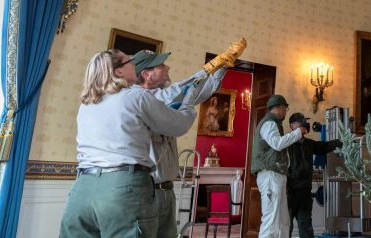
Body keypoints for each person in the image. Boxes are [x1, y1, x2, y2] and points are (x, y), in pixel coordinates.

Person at [59, 49, 197, 238]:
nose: (134, 64)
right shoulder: (136, 96)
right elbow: (178, 125)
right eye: (130, 61)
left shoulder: (87, 104)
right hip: (122, 186)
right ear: (118, 72)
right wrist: (189, 105)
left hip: (83, 187)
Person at [134, 39, 246, 238]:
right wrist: (212, 64)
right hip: (148, 191)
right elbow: (179, 90)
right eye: (161, 65)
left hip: (166, 190)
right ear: (146, 74)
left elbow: (199, 93)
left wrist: (223, 66)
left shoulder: (163, 96)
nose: (167, 66)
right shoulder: (142, 99)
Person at [251, 94, 306, 238]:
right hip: (270, 175)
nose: (286, 111)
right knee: (271, 221)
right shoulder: (269, 123)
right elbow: (277, 143)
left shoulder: (273, 124)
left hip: (276, 175)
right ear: (280, 107)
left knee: (282, 220)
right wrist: (297, 133)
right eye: (285, 108)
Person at [286, 112, 342, 238]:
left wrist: (342, 140)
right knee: (286, 226)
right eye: (301, 122)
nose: (305, 125)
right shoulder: (285, 144)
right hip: (290, 193)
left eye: (304, 122)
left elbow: (324, 147)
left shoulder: (309, 144)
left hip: (305, 192)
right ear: (292, 126)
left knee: (306, 225)